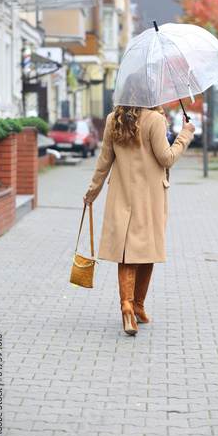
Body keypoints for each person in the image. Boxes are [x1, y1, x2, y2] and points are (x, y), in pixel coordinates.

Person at [83, 104, 195, 335]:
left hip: (121, 194)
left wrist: (91, 193)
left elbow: (104, 161)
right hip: (150, 197)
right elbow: (167, 158)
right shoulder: (155, 119)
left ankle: (131, 307)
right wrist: (186, 133)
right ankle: (135, 306)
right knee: (147, 249)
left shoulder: (113, 119)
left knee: (126, 252)